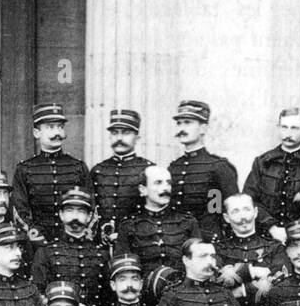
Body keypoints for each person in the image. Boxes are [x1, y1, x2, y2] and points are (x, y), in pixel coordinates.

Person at [242, 106, 300, 236]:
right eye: (284, 127)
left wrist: (298, 228)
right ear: (278, 128)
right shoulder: (262, 162)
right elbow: (249, 200)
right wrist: (271, 227)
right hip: (267, 236)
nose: (288, 134)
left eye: (294, 128)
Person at [11, 103, 90, 245]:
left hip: (73, 240)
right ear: (36, 133)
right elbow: (19, 209)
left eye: (60, 127)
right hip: (38, 242)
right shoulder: (24, 169)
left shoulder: (78, 167)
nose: (57, 133)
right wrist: (32, 231)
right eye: (50, 127)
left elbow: (91, 207)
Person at [29, 187, 109, 306]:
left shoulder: (102, 255)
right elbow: (37, 294)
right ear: (61, 215)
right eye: (69, 210)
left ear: (89, 217)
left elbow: (108, 299)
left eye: (81, 211)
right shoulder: (45, 253)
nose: (75, 216)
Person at [168, 100, 239, 235]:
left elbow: (224, 209)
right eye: (179, 123)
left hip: (206, 238)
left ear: (203, 128)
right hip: (176, 240)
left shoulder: (218, 167)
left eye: (188, 123)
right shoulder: (173, 168)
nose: (182, 128)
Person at [112, 165, 200, 273]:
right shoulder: (128, 225)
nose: (165, 188)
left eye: (168, 183)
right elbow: (124, 270)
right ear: (143, 190)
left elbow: (199, 262)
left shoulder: (188, 221)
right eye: (158, 183)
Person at [91, 109, 153, 233]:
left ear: (137, 137)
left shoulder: (149, 170)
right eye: (114, 133)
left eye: (126, 133)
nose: (119, 138)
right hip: (103, 241)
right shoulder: (98, 170)